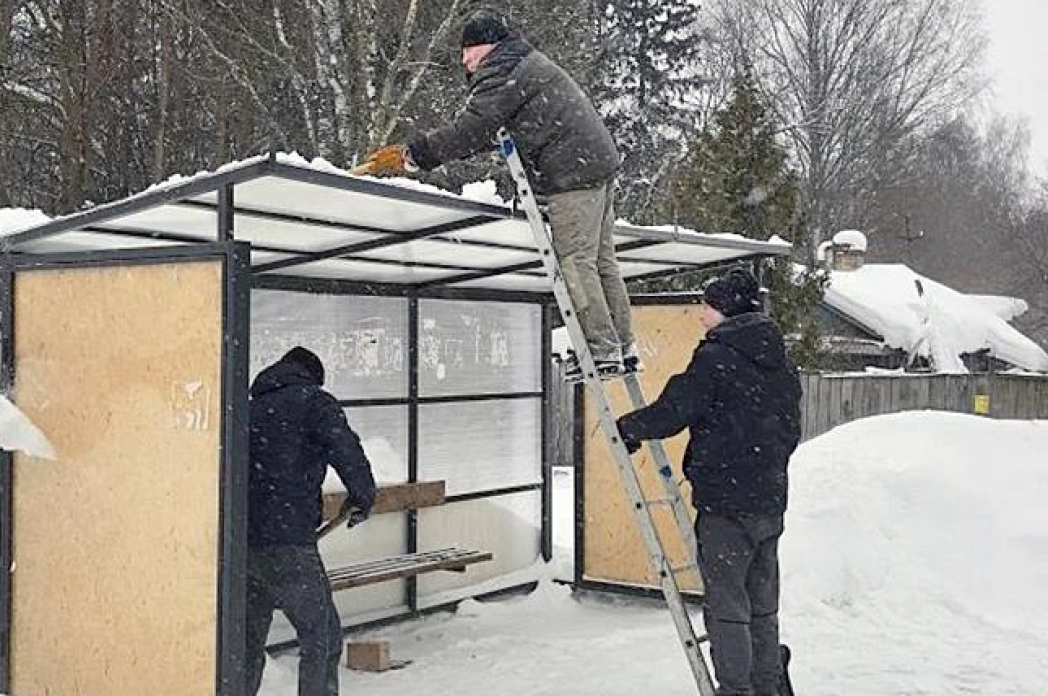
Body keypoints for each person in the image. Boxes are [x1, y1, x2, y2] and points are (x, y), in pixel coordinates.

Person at [358, 7, 637, 377]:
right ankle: (623, 346)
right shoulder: (524, 64)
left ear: (484, 47)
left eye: (466, 51)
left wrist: (415, 154)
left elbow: (472, 129)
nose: (464, 60)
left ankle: (602, 351)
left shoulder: (502, 71)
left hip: (573, 173)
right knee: (602, 262)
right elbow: (491, 131)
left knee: (574, 262)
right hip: (595, 163)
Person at [616, 269, 801, 696]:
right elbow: (789, 430)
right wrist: (761, 467)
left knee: (728, 608)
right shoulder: (780, 362)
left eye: (707, 307)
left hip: (726, 505)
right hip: (769, 503)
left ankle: (735, 689)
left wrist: (630, 427)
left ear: (726, 311)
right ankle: (767, 684)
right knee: (761, 606)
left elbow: (677, 407)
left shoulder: (717, 358)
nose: (701, 316)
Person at [245, 346, 377, 696]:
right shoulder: (314, 402)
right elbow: (344, 447)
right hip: (289, 545)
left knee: (243, 645)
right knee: (321, 638)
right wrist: (362, 495)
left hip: (242, 546)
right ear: (311, 376)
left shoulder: (249, 408)